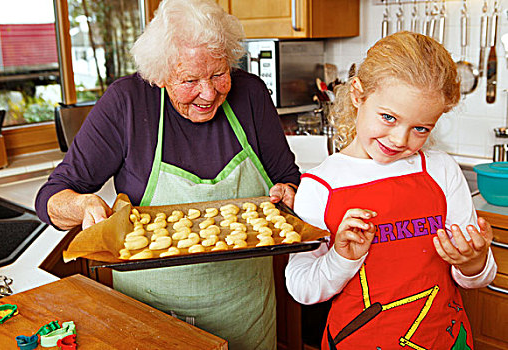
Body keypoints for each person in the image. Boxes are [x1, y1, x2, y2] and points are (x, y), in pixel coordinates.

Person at [35, 0, 301, 348]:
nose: (208, 93)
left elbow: (287, 177)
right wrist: (82, 206)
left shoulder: (250, 94)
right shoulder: (127, 103)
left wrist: (291, 194)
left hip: (246, 312)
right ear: (159, 74)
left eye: (219, 74)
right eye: (190, 79)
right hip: (151, 318)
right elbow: (52, 195)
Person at [285, 31, 497, 349]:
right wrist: (341, 258)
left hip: (445, 339)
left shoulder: (440, 170)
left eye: (420, 129)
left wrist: (473, 261)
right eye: (388, 117)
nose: (399, 140)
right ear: (358, 95)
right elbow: (301, 287)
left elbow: (479, 278)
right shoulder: (320, 186)